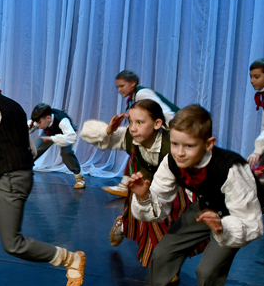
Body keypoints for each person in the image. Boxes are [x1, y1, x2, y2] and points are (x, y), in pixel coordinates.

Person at [120, 104, 264, 286]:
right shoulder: (172, 161)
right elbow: (159, 205)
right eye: (175, 144)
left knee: (207, 271)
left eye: (189, 146)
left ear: (209, 144)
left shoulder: (232, 168)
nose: (180, 152)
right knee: (163, 251)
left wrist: (222, 226)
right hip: (206, 206)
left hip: (235, 216)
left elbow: (251, 223)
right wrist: (144, 196)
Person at [0, 58, 85, 286]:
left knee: (13, 244)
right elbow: (29, 149)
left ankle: (71, 259)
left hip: (11, 180)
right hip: (10, 176)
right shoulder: (14, 106)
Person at [79, 99, 197, 266]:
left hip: (171, 189)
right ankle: (126, 229)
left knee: (172, 224)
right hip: (143, 187)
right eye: (130, 122)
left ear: (157, 124)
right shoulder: (129, 137)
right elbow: (87, 132)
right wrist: (108, 130)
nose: (133, 128)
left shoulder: (173, 144)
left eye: (140, 122)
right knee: (143, 221)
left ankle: (165, 262)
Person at [104, 70, 178, 197]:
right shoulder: (135, 96)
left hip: (175, 126)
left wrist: (177, 132)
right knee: (135, 148)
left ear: (133, 83)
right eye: (118, 87)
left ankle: (127, 185)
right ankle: (125, 184)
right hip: (167, 127)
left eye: (122, 86)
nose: (119, 90)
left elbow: (165, 112)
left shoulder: (142, 94)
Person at [28, 103, 85, 189]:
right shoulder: (43, 118)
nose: (38, 125)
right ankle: (23, 172)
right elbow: (33, 125)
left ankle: (79, 178)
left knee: (66, 153)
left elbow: (71, 137)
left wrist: (52, 138)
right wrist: (29, 127)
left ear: (48, 118)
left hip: (65, 134)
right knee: (35, 151)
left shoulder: (63, 121)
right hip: (50, 131)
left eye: (39, 123)